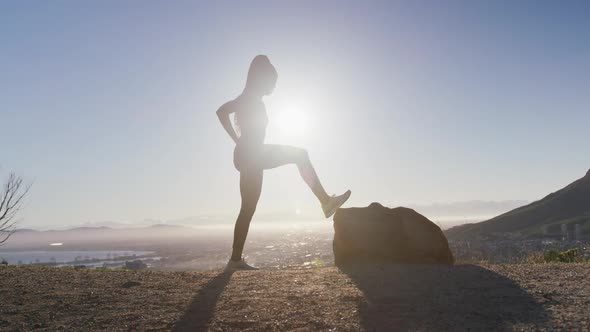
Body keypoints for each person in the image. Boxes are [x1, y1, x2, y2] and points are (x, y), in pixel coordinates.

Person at [216, 55, 351, 271]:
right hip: (252, 154)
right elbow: (221, 111)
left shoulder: (253, 99)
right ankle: (326, 202)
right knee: (300, 154)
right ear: (261, 78)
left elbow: (224, 113)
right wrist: (237, 140)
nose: (274, 85)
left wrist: (239, 143)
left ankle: (234, 261)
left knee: (248, 208)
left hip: (252, 155)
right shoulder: (249, 98)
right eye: (272, 80)